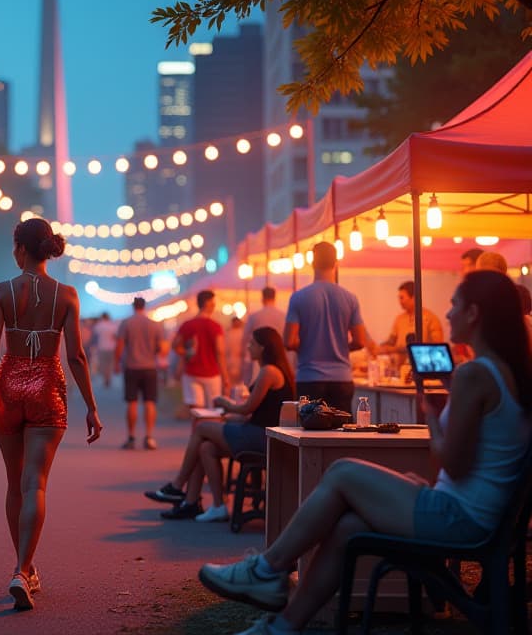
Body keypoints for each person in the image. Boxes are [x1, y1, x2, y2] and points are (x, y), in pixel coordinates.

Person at [199, 270, 532, 635]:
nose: (448, 314)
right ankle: (281, 627)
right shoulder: (507, 373)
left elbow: (452, 463)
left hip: (460, 520)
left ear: (474, 313)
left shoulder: (477, 375)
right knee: (348, 526)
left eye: (454, 305)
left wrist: (434, 416)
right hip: (478, 516)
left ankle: (266, 569)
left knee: (342, 472)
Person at [0, 217, 103, 611]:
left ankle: (24, 567)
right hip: (47, 383)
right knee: (36, 484)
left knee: (15, 484)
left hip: (8, 384)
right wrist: (92, 407)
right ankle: (23, 569)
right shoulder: (67, 295)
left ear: (21, 249)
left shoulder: (1, 292)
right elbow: (76, 355)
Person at [147, 327, 294, 520]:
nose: (248, 347)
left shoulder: (269, 371)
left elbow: (247, 408)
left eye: (252, 343)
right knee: (206, 447)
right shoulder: (269, 370)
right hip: (256, 431)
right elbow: (258, 411)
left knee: (201, 428)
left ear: (264, 348)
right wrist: (230, 416)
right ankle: (211, 505)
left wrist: (225, 403)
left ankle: (177, 487)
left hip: (260, 437)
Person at [285, 242, 372, 413]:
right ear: (336, 264)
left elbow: (288, 341)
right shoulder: (350, 298)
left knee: (309, 435)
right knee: (340, 435)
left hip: (309, 377)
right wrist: (339, 347)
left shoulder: (298, 298)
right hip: (341, 378)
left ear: (312, 263)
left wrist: (309, 346)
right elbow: (360, 341)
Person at [114, 296, 164, 450]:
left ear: (133, 306)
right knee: (150, 402)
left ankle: (131, 437)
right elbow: (161, 348)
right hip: (150, 367)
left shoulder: (126, 323)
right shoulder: (155, 325)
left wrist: (116, 363)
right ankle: (149, 437)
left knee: (132, 403)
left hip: (131, 367)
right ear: (144, 306)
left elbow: (120, 345)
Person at [173, 290, 229, 409]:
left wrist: (187, 353)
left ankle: (197, 428)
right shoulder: (215, 326)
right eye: (213, 303)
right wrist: (225, 377)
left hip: (191, 373)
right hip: (212, 374)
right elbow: (220, 351)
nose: (214, 306)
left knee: (196, 410)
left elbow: (175, 346)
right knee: (214, 410)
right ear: (207, 303)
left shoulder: (187, 325)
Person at [378, 281, 444, 357]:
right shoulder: (400, 319)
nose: (400, 301)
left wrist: (396, 349)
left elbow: (437, 346)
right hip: (401, 367)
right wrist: (378, 347)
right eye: (399, 298)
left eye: (402, 298)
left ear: (413, 297)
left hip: (420, 365)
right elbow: (391, 341)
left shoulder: (431, 319)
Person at [242, 287, 286, 381]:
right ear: (275, 297)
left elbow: (245, 339)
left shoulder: (254, 316)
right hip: (280, 358)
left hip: (260, 360)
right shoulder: (283, 316)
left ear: (262, 298)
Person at [92, 312, 119, 388]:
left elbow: (95, 334)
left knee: (103, 364)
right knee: (110, 364)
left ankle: (105, 379)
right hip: (112, 347)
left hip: (102, 347)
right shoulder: (113, 325)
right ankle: (108, 379)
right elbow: (116, 336)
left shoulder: (99, 325)